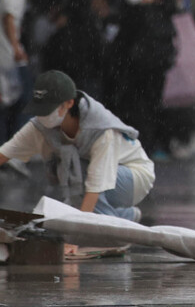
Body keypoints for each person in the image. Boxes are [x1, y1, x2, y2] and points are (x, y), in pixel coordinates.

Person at [0, 70, 155, 222]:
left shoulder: (100, 129)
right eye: (40, 109)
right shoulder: (40, 126)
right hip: (99, 175)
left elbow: (95, 185)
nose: (43, 116)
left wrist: (76, 236)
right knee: (68, 167)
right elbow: (4, 154)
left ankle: (111, 226)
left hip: (134, 175)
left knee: (76, 170)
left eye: (48, 109)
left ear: (69, 103)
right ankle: (123, 216)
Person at [103, 0, 176, 161]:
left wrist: (149, 8)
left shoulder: (155, 13)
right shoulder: (122, 13)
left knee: (144, 118)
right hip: (124, 78)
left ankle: (141, 155)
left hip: (148, 77)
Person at [0, 0, 40, 143]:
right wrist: (16, 47)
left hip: (6, 53)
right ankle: (13, 145)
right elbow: (9, 17)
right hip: (8, 55)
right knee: (24, 97)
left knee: (8, 100)